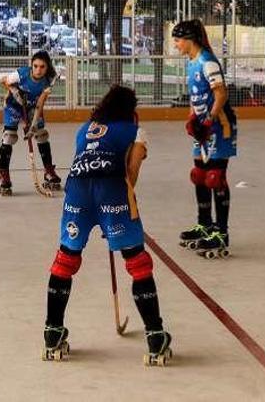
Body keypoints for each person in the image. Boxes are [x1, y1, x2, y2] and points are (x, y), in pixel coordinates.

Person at [43, 85, 172, 366]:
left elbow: (83, 159)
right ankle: (155, 334)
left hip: (76, 189)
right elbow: (132, 174)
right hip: (112, 190)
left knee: (66, 258)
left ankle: (52, 331)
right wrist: (111, 215)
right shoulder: (135, 130)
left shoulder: (86, 128)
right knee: (137, 262)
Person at [173, 19, 237, 259]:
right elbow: (194, 96)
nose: (176, 45)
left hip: (219, 126)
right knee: (199, 175)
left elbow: (221, 94)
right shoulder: (191, 63)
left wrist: (209, 118)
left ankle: (221, 232)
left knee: (215, 177)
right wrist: (192, 118)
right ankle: (205, 224)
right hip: (202, 127)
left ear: (190, 40)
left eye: (178, 40)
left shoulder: (207, 62)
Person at [0, 50, 61, 196]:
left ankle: (49, 171)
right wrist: (14, 91)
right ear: (31, 65)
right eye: (35, 66)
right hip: (13, 106)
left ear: (47, 67)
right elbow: (3, 80)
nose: (38, 70)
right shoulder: (22, 74)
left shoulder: (49, 80)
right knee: (9, 137)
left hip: (32, 107)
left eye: (42, 67)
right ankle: (4, 175)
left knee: (41, 135)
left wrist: (32, 126)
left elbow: (40, 104)